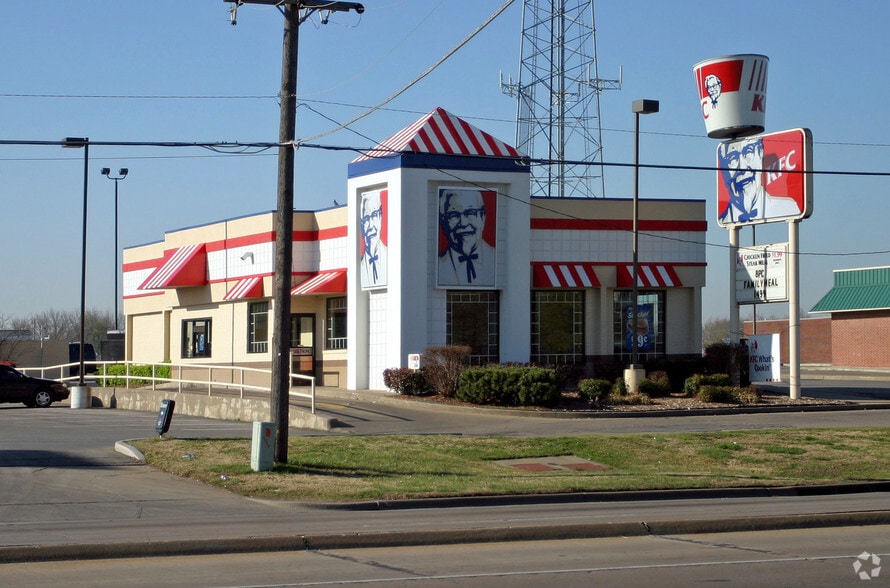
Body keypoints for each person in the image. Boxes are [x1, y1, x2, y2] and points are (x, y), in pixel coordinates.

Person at [718, 137, 801, 224]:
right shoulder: (724, 220)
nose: (742, 167)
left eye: (748, 152)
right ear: (724, 171)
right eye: (733, 158)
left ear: (760, 155)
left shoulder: (787, 208)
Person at [437, 188, 495, 287]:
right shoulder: (438, 265)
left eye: (470, 213)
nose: (463, 223)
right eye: (453, 215)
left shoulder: (496, 260)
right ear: (443, 221)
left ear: (482, 217)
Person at [359, 190, 387, 288]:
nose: (371, 225)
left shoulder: (389, 257)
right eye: (366, 219)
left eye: (374, 215)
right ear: (361, 225)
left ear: (380, 217)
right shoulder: (360, 267)